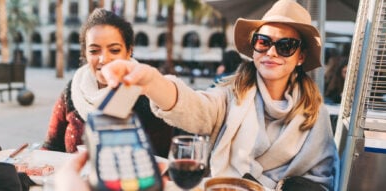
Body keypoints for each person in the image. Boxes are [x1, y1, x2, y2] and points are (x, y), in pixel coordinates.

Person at [100, 0, 337, 190]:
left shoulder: (317, 115)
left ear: (301, 57)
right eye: (263, 41)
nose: (272, 52)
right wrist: (151, 80)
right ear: (254, 47)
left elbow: (321, 181)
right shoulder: (229, 96)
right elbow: (193, 107)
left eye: (285, 46)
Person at [41, 8, 175, 158]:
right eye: (94, 51)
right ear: (85, 53)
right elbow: (51, 146)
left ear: (129, 51)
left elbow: (161, 159)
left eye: (114, 50)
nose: (104, 59)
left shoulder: (148, 95)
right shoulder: (72, 90)